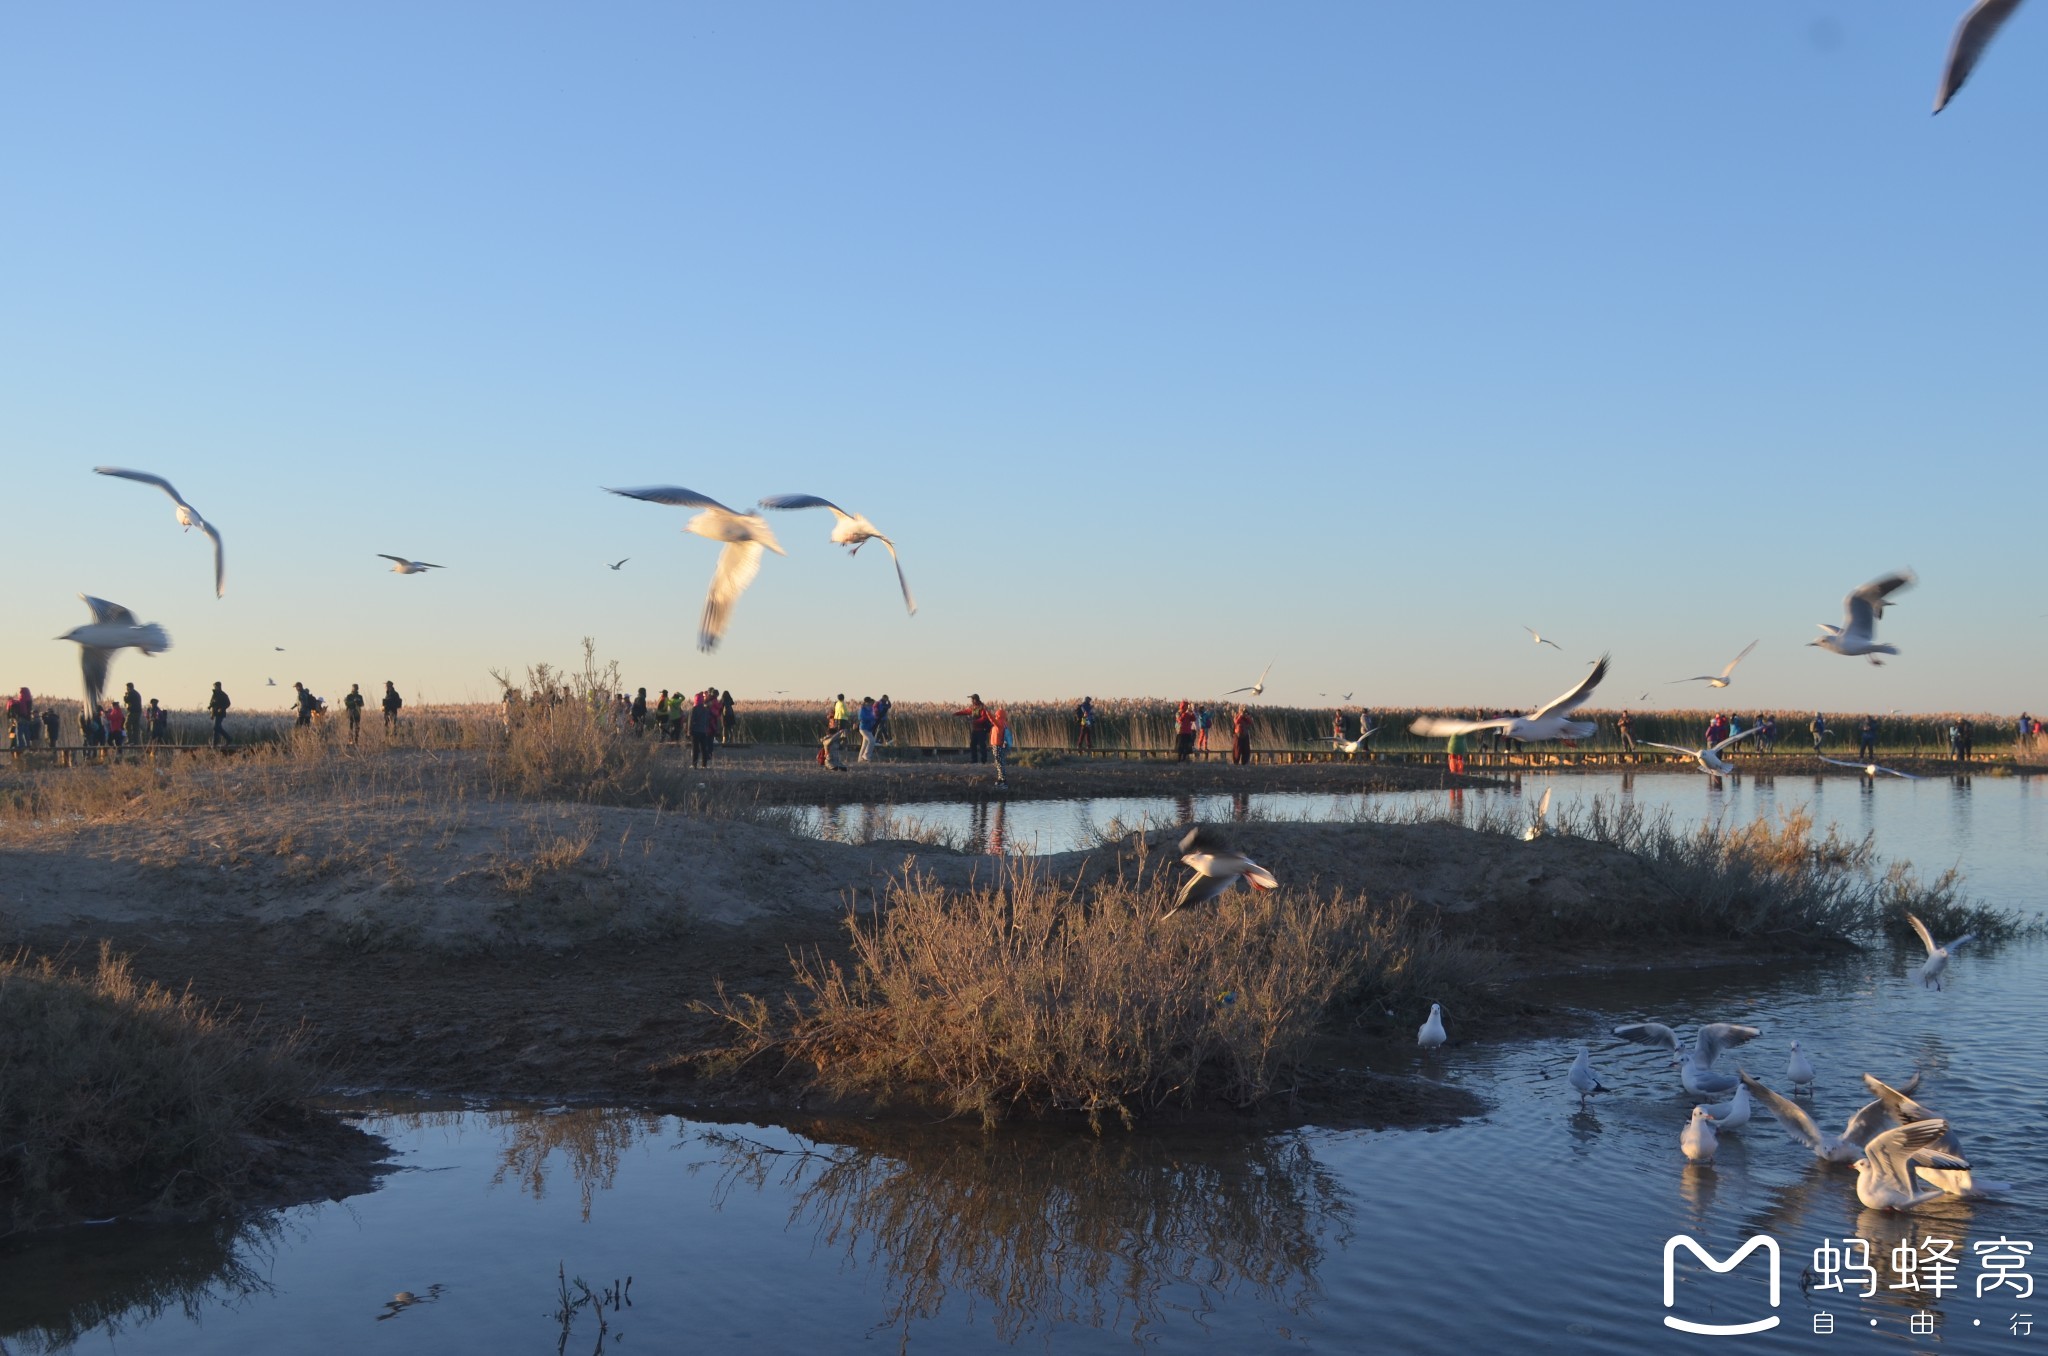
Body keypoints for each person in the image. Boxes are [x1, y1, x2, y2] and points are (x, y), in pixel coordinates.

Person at [956, 694, 991, 763]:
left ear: (975, 700)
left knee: (982, 746)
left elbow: (984, 718)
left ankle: (983, 761)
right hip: (975, 730)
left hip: (982, 730)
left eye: (972, 699)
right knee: (972, 745)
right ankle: (974, 760)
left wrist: (974, 721)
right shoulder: (974, 707)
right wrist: (957, 713)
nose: (971, 701)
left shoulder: (982, 708)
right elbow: (967, 711)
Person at [689, 691, 714, 768]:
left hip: (695, 731)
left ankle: (694, 764)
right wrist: (706, 729)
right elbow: (707, 720)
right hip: (703, 731)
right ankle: (704, 765)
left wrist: (689, 731)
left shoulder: (694, 709)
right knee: (704, 749)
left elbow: (691, 720)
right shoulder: (705, 709)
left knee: (695, 748)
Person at [988, 702, 1010, 787]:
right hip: (999, 745)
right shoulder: (1004, 723)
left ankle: (1002, 780)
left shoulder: (999, 723)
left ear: (998, 715)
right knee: (1000, 762)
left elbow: (991, 719)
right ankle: (1001, 779)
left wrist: (987, 711)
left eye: (996, 714)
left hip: (997, 745)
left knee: (999, 762)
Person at [208, 682, 232, 747]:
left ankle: (215, 744)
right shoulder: (214, 695)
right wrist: (212, 714)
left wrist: (222, 708)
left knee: (216, 727)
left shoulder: (223, 695)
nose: (215, 688)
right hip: (215, 713)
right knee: (218, 728)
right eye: (214, 686)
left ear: (219, 686)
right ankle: (229, 739)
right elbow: (212, 704)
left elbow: (228, 703)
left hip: (221, 714)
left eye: (216, 686)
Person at [857, 696, 878, 762]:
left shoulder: (870, 709)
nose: (872, 704)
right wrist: (871, 718)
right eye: (871, 703)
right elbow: (861, 718)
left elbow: (872, 716)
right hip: (863, 728)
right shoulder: (862, 709)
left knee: (865, 744)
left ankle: (860, 759)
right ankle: (866, 756)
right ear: (867, 702)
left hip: (868, 728)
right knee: (872, 741)